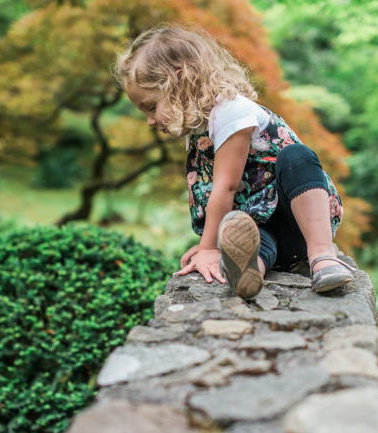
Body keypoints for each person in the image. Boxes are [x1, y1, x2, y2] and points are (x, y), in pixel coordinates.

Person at [116, 25, 355, 299]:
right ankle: (247, 271)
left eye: (151, 106)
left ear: (178, 83)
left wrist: (208, 248)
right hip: (266, 229)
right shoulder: (198, 130)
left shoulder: (230, 112)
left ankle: (323, 258)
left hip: (297, 221)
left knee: (296, 156)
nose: (150, 120)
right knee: (244, 231)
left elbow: (225, 188)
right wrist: (216, 244)